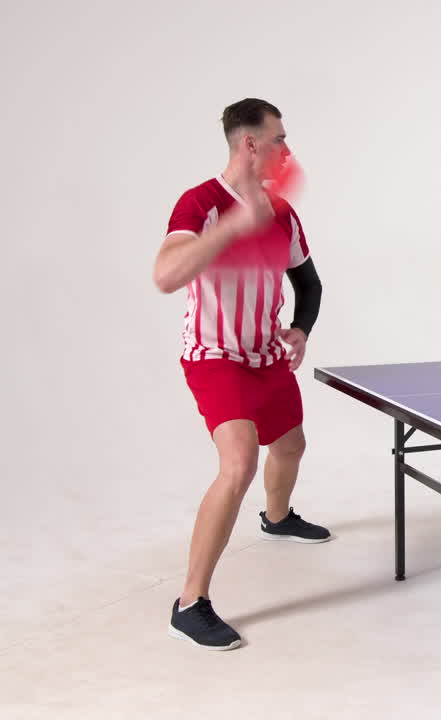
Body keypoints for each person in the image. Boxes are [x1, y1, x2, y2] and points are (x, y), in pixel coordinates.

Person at [153, 98, 330, 649]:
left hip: (265, 354)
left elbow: (308, 282)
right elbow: (165, 275)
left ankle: (276, 519)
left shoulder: (282, 213)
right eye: (279, 139)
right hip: (214, 355)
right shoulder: (201, 203)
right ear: (250, 143)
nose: (287, 149)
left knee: (292, 445)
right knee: (239, 463)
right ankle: (190, 604)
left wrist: (300, 329)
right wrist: (231, 229)